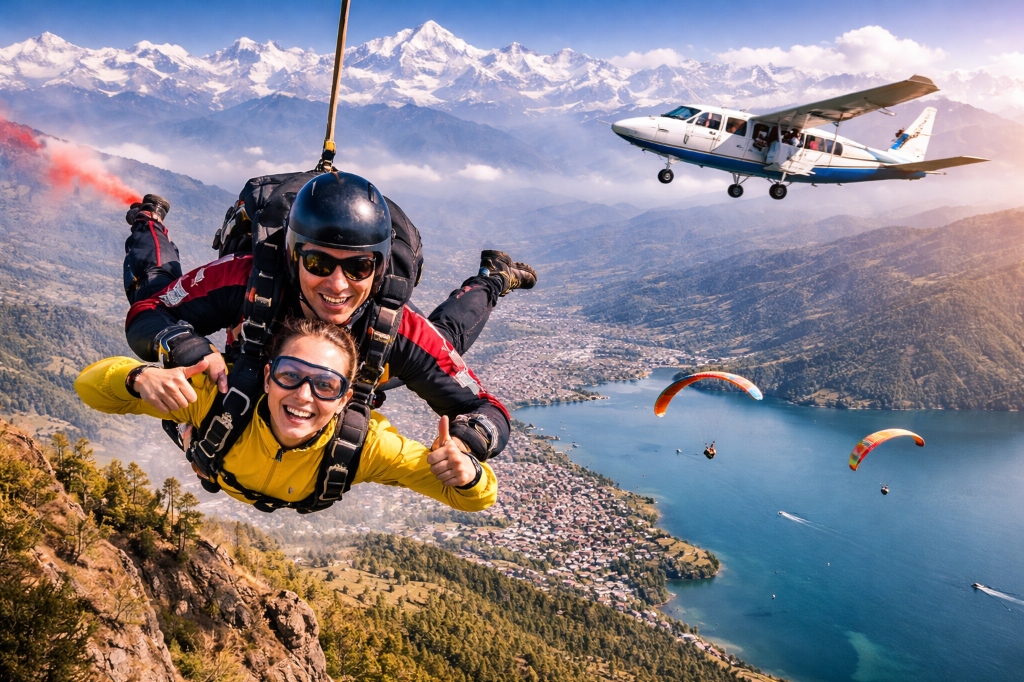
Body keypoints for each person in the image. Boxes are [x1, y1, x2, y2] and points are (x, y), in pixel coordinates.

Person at [122, 173, 536, 464]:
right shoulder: (246, 278)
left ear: (378, 269)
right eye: (319, 262)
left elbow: (486, 408)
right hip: (256, 358)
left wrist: (468, 443)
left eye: (358, 268)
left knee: (441, 341)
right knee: (152, 288)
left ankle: (492, 279)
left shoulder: (394, 326)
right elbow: (150, 311)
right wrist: (190, 347)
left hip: (362, 367)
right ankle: (148, 220)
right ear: (292, 256)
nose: (338, 286)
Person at [75, 317, 496, 512]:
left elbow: (472, 498)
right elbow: (90, 387)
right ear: (266, 375)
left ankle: (491, 281)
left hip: (361, 382)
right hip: (222, 447)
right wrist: (138, 376)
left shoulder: (366, 446)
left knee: (439, 338)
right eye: (290, 375)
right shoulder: (218, 396)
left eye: (325, 385)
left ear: (346, 398)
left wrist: (469, 473)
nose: (304, 396)